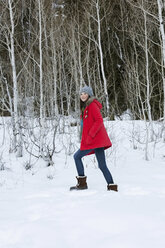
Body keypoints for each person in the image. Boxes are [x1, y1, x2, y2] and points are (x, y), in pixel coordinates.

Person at [70, 85, 118, 191]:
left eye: (85, 93)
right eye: (81, 94)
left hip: (93, 140)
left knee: (77, 157)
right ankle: (112, 186)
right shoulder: (86, 107)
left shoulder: (92, 105)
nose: (82, 96)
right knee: (102, 165)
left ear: (89, 95)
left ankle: (82, 184)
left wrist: (90, 135)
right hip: (96, 141)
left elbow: (99, 120)